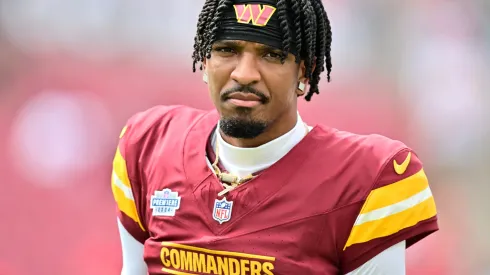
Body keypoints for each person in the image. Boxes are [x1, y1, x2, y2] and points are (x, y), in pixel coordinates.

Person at [111, 0, 439, 274]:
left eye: (271, 55)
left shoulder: (366, 178)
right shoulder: (149, 145)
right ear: (205, 60)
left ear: (304, 71)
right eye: (227, 50)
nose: (244, 74)